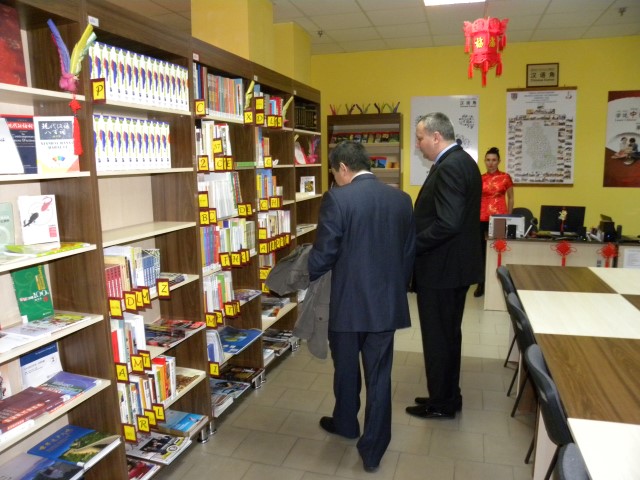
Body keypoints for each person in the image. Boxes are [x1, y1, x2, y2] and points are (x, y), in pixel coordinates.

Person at [308, 141, 415, 473]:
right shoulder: (401, 200)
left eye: (333, 172)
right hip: (385, 304)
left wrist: (302, 273)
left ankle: (345, 423)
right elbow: (408, 252)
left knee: (346, 368)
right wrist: (394, 291)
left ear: (343, 168)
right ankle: (373, 451)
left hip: (347, 304)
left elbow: (325, 254)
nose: (334, 179)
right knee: (379, 376)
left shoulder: (338, 199)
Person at [407, 112, 482, 420]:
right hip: (453, 267)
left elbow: (448, 223)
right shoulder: (462, 161)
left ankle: (441, 404)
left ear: (436, 137)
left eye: (420, 138)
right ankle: (447, 395)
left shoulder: (450, 166)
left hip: (442, 269)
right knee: (448, 335)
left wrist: (412, 245)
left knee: (439, 338)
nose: (418, 144)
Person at [474, 147, 514, 297]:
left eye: (494, 160)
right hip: (481, 218)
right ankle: (481, 283)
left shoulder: (505, 177)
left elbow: (511, 198)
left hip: (499, 219)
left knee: (498, 250)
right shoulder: (480, 178)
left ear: (499, 161)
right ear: (485, 161)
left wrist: (509, 217)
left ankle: (499, 282)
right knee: (481, 253)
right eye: (488, 160)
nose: (491, 163)